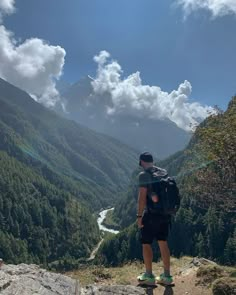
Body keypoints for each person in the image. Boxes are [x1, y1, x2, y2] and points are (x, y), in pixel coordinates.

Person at [136, 152, 173, 285]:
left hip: (151, 215)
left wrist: (139, 216)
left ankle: (149, 276)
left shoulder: (144, 175)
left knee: (146, 243)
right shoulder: (163, 172)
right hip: (165, 214)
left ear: (141, 162)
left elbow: (142, 197)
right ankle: (167, 277)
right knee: (163, 242)